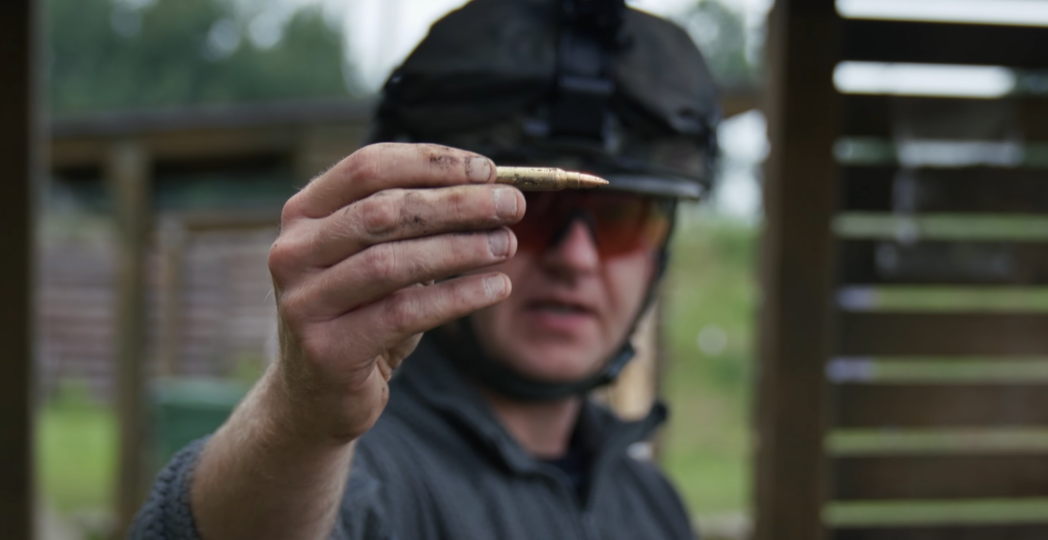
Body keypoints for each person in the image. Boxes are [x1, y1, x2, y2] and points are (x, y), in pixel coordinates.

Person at [131, 0, 719, 538]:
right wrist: (301, 421)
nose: (577, 258)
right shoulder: (351, 470)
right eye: (528, 212)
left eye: (621, 221)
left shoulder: (655, 507)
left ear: (659, 252)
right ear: (433, 218)